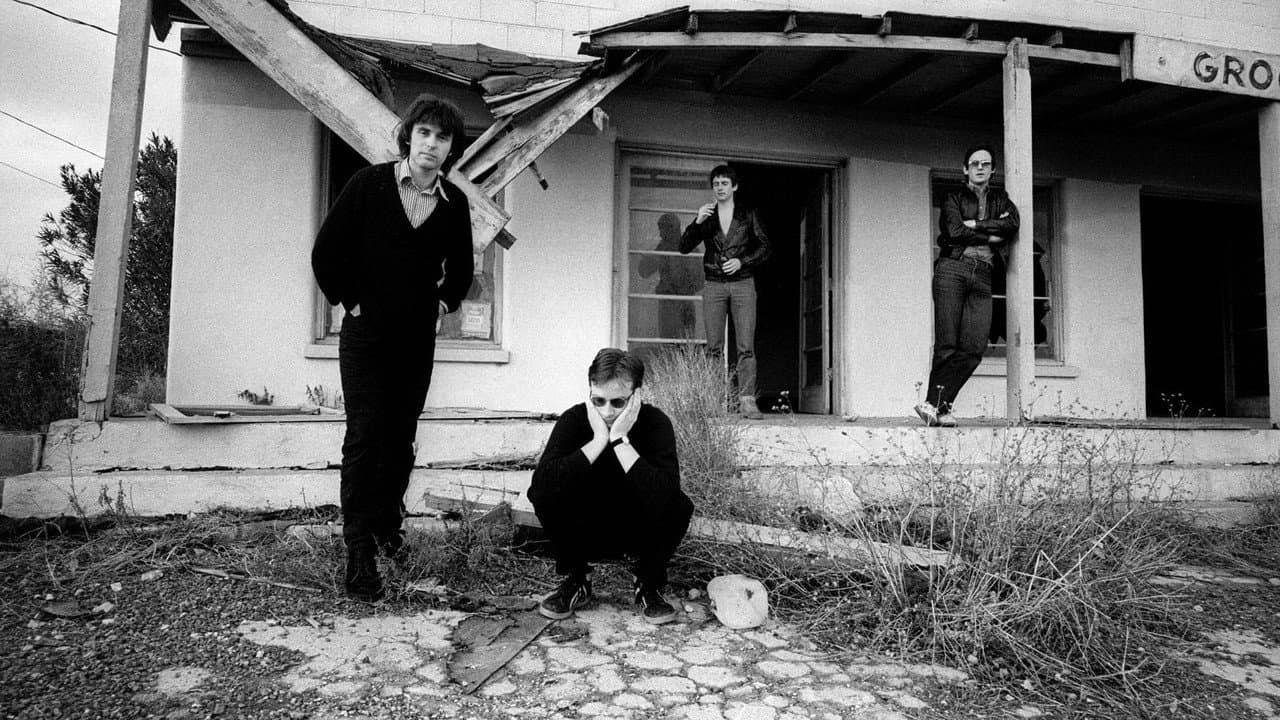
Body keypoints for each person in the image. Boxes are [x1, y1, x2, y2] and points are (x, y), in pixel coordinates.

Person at [311, 94, 475, 601]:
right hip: (365, 337)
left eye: (442, 137)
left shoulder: (454, 204)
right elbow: (326, 252)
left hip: (415, 340)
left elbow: (462, 271)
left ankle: (387, 528)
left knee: (401, 438)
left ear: (450, 148)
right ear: (409, 136)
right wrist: (351, 301)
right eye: (424, 132)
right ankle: (359, 550)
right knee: (365, 436)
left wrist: (441, 305)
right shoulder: (368, 184)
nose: (431, 144)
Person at [528, 348, 694, 625]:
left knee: (679, 505)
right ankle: (578, 578)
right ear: (589, 392)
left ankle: (647, 583)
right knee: (545, 491)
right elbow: (541, 486)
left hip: (636, 531)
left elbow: (668, 496)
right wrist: (598, 441)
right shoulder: (574, 420)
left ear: (637, 395)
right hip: (586, 529)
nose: (606, 411)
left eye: (618, 402)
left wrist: (619, 440)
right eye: (599, 401)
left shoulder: (655, 423)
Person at [916, 144, 1020, 427]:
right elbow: (954, 231)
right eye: (975, 163)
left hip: (983, 275)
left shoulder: (1001, 199)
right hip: (953, 269)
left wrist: (975, 224)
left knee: (974, 347)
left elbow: (1012, 224)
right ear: (965, 169)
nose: (980, 168)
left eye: (985, 164)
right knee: (947, 343)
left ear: (993, 169)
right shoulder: (953, 197)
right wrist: (991, 234)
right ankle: (940, 407)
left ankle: (933, 405)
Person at [679, 165, 771, 419]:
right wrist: (697, 222)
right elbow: (683, 247)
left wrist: (743, 261)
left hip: (743, 283)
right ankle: (712, 400)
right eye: (716, 184)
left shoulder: (747, 214)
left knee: (746, 345)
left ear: (734, 187)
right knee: (713, 347)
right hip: (714, 284)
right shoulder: (707, 216)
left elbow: (765, 246)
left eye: (724, 183)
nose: (720, 188)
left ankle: (747, 400)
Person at [637, 213, 703, 341]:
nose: (661, 234)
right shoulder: (664, 247)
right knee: (671, 342)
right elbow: (644, 271)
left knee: (684, 343)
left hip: (682, 303)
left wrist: (682, 288)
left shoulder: (689, 249)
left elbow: (700, 281)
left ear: (673, 228)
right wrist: (648, 257)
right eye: (660, 229)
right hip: (670, 303)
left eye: (663, 229)